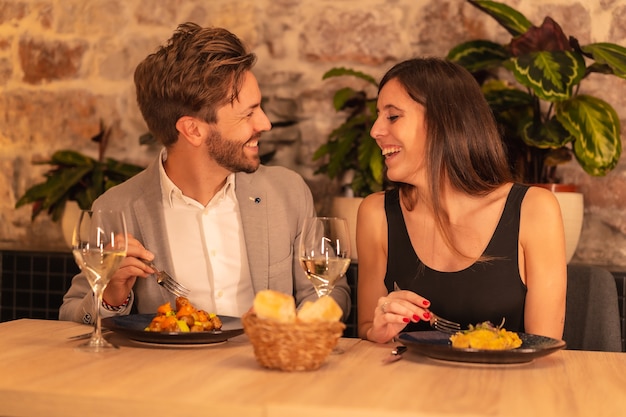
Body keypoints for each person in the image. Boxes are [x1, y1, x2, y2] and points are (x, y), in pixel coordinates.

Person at [59, 23, 350, 324]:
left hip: (266, 367)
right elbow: (70, 317)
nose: (264, 124)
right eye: (248, 113)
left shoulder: (287, 193)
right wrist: (111, 296)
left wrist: (291, 324)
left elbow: (331, 292)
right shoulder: (118, 208)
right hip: (168, 371)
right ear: (193, 129)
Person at [357, 57, 566, 344]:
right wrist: (378, 330)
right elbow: (367, 328)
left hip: (507, 387)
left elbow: (543, 348)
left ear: (444, 123)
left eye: (393, 116)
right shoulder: (376, 214)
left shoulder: (534, 209)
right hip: (406, 387)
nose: (375, 131)